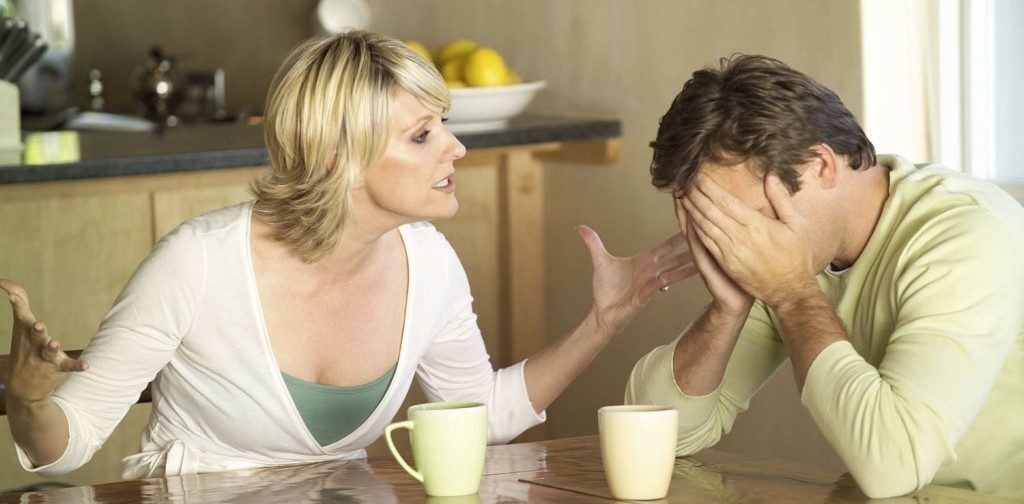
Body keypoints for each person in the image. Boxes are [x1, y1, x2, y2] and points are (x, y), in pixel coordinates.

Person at [1, 30, 696, 479]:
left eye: (444, 125)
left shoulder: (429, 264)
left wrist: (603, 321)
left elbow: (482, 414)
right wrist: (28, 400)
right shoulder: (198, 263)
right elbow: (67, 444)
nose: (456, 149)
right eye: (422, 135)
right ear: (340, 157)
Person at [625, 54, 1024, 499]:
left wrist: (793, 294)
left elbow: (892, 465)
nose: (734, 246)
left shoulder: (968, 235)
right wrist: (727, 310)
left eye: (745, 219)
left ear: (820, 165)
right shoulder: (790, 254)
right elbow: (657, 434)